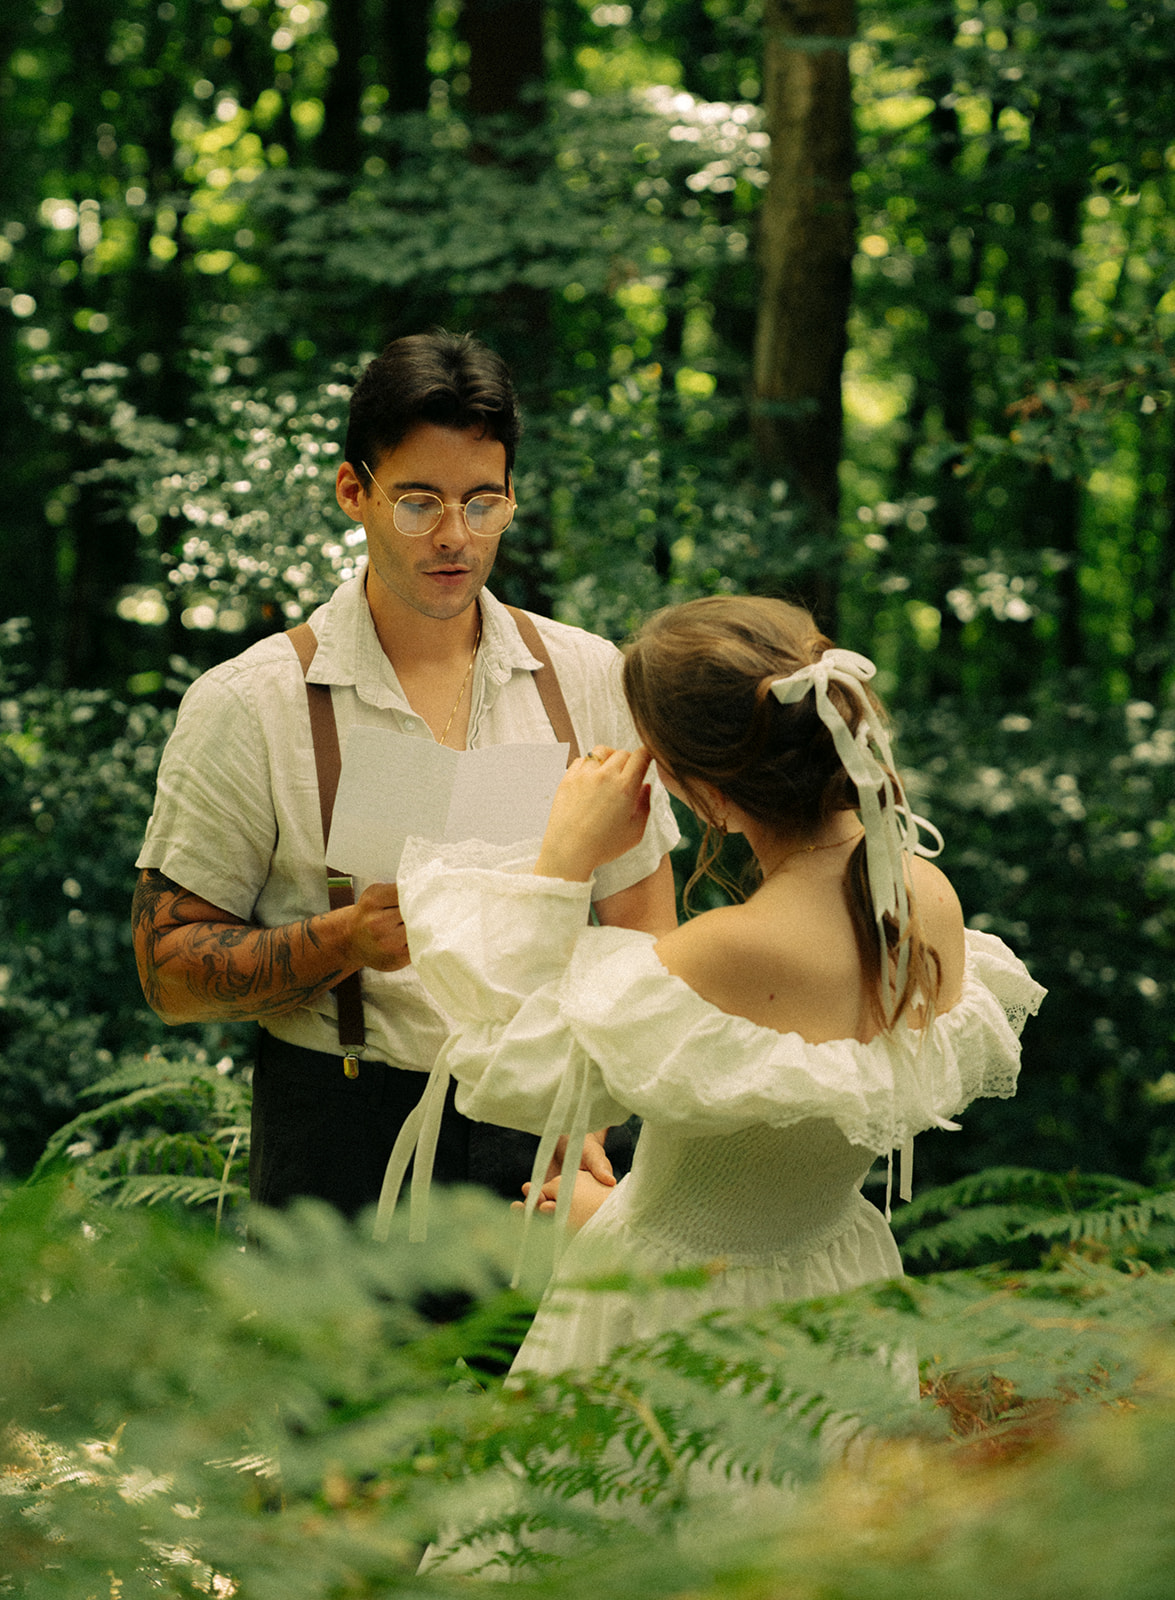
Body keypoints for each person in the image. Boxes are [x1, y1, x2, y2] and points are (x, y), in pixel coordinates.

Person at [395, 594, 1046, 1393]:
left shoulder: (726, 950)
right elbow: (772, 1159)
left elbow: (514, 1064)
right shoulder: (927, 898)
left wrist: (563, 860)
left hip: (681, 1315)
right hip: (835, 1284)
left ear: (704, 794)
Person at [131, 329, 680, 1218]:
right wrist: (341, 941)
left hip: (547, 1132)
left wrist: (596, 1093)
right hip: (337, 1129)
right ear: (355, 490)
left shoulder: (586, 678)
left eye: (483, 504)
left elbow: (646, 930)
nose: (454, 537)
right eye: (419, 502)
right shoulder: (249, 702)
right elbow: (167, 973)